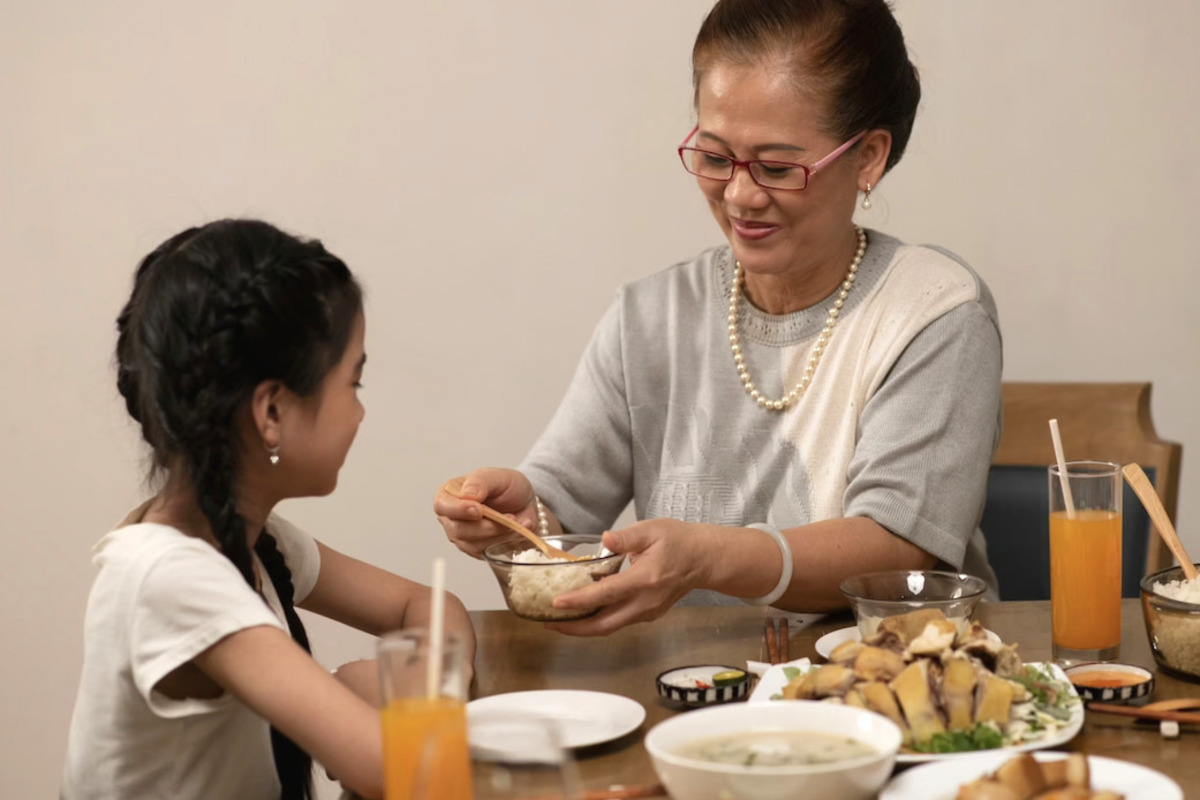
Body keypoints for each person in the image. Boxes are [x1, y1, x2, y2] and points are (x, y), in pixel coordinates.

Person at [435, 0, 1002, 635]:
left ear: (867, 157)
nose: (739, 194)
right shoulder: (649, 317)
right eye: (714, 156)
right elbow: (559, 514)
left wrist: (706, 557)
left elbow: (896, 549)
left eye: (777, 167)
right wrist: (520, 514)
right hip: (690, 688)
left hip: (884, 686)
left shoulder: (931, 310)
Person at [61, 219, 475, 800]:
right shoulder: (165, 575)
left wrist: (419, 692)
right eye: (352, 382)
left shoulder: (255, 541)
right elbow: (397, 770)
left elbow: (428, 604)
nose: (359, 413)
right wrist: (364, 688)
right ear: (272, 412)